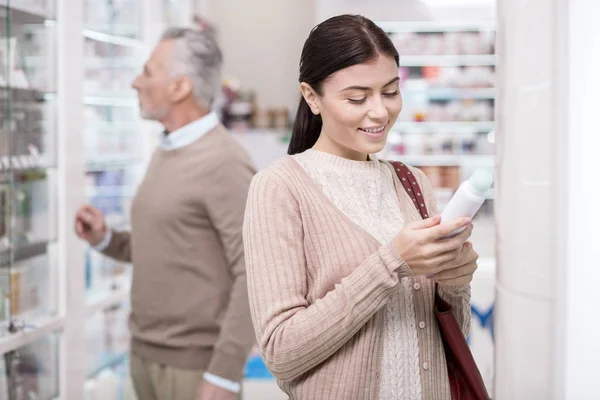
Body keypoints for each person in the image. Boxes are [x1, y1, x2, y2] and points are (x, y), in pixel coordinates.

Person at [243, 14, 478, 400]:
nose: (380, 112)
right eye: (357, 98)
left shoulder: (411, 182)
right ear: (312, 97)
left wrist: (454, 280)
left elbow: (453, 333)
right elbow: (282, 352)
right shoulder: (279, 188)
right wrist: (391, 262)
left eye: (390, 92)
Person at [75, 26, 255, 400]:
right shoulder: (168, 149)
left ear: (180, 87)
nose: (135, 83)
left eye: (148, 72)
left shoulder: (225, 163)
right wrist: (105, 238)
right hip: (145, 356)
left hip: (194, 370)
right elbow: (168, 245)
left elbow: (254, 276)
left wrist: (223, 374)